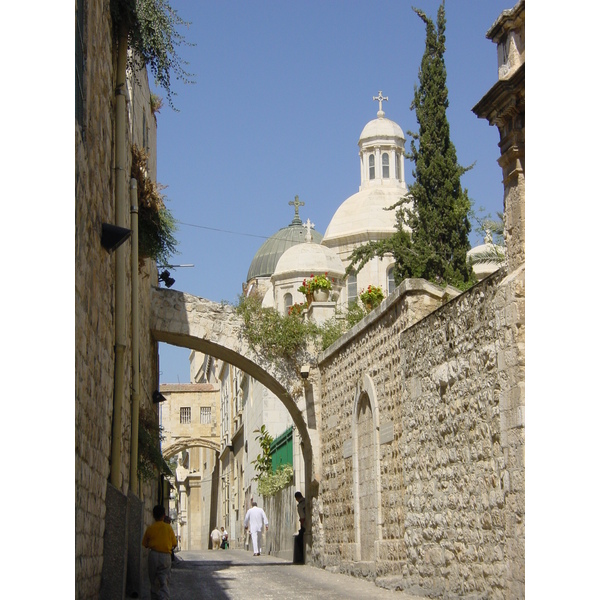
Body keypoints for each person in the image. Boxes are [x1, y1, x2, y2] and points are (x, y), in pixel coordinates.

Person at [142, 504, 177, 600]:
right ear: (164, 515)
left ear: (153, 515)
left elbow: (145, 544)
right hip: (165, 556)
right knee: (164, 580)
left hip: (153, 555)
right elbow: (174, 543)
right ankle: (165, 597)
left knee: (153, 581)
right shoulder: (169, 528)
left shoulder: (150, 528)